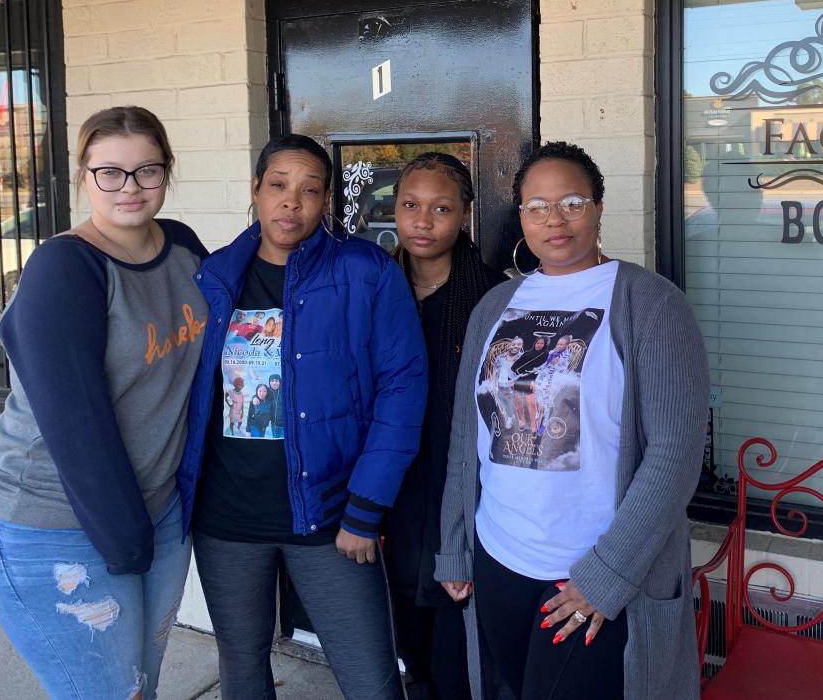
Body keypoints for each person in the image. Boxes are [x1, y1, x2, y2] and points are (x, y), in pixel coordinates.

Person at [437, 141, 710, 700]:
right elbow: (469, 439)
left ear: (599, 207)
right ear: (520, 217)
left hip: (590, 573)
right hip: (500, 557)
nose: (553, 219)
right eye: (536, 206)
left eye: (571, 202)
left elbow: (674, 456)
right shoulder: (496, 306)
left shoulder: (651, 305)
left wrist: (606, 575)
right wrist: (456, 545)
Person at [0, 106, 208, 699]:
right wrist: (130, 541)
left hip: (155, 507)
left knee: (140, 685)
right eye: (110, 172)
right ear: (83, 175)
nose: (129, 188)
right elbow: (76, 425)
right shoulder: (65, 267)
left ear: (167, 172)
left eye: (146, 170)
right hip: (51, 521)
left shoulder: (182, 247)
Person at [177, 133, 427, 700]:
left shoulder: (366, 273)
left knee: (371, 677)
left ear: (327, 201)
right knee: (241, 666)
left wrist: (366, 508)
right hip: (226, 518)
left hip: (333, 516)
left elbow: (403, 387)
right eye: (279, 186)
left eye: (310, 190)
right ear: (256, 191)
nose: (292, 202)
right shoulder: (214, 277)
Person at [383, 152, 506, 700]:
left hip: (465, 494)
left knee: (458, 649)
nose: (422, 221)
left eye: (441, 208)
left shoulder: (493, 297)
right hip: (393, 491)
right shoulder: (375, 289)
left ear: (464, 216)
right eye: (410, 205)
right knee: (407, 634)